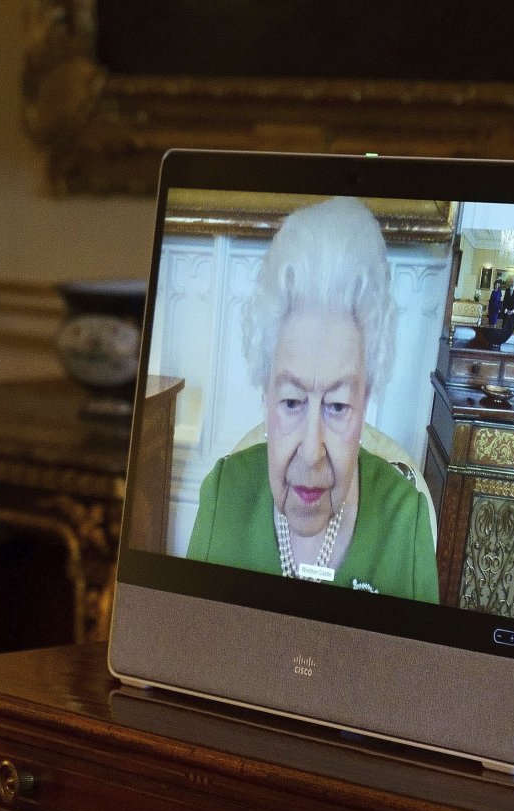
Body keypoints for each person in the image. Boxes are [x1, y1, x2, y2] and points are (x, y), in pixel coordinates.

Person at [185, 196, 440, 603]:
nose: (312, 452)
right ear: (265, 393)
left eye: (337, 406)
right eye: (291, 402)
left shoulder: (404, 519)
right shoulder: (223, 496)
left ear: (365, 400)